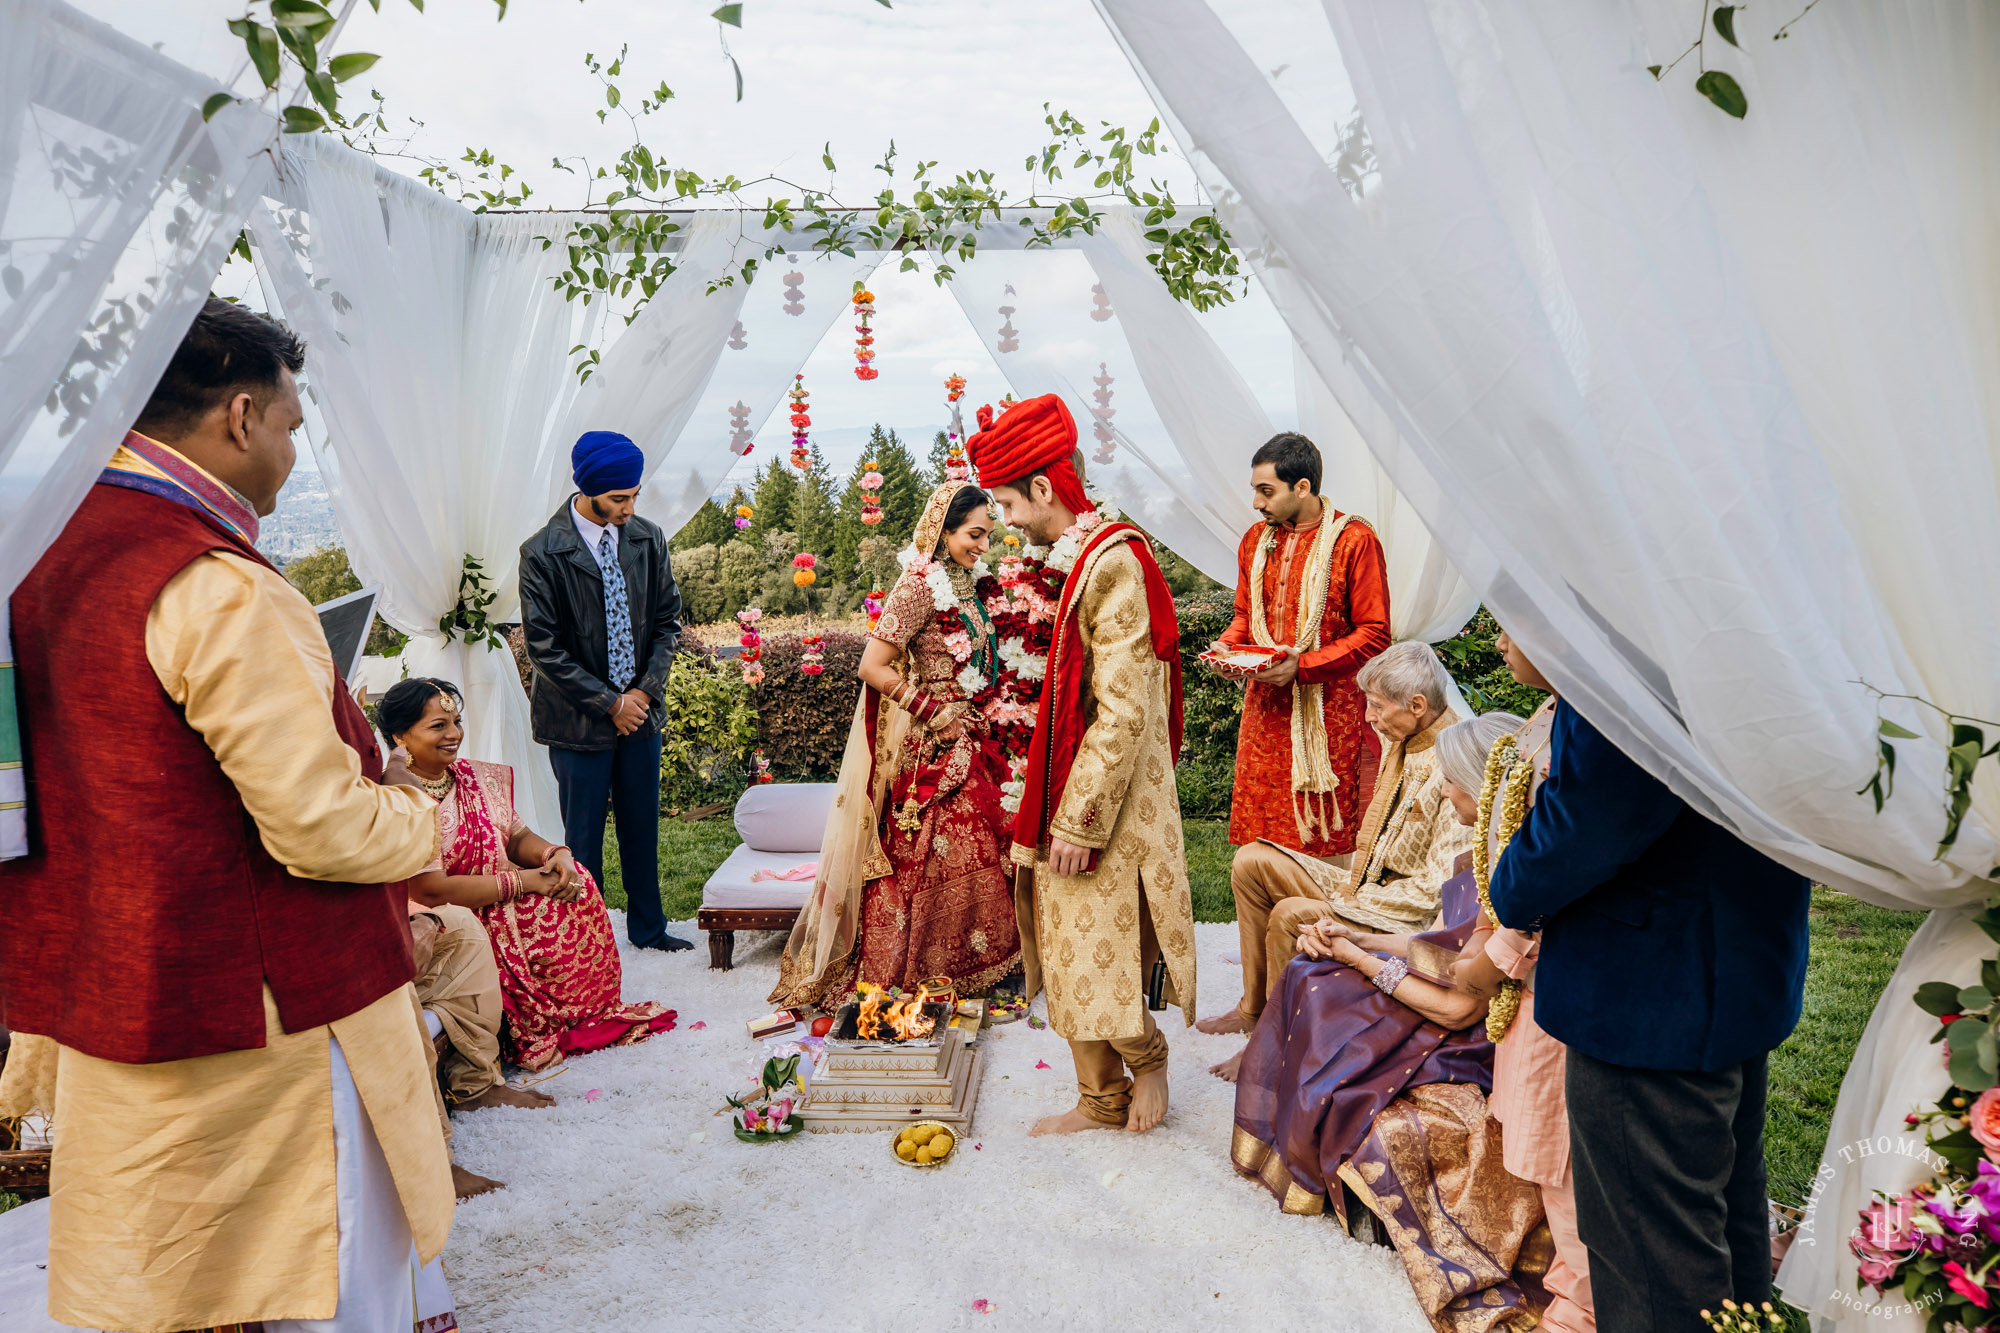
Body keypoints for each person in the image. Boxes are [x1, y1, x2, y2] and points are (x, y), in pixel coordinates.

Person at [0, 298, 452, 1331]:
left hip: (126, 982)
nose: (291, 452)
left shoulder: (39, 555)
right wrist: (420, 819)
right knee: (322, 1279)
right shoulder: (217, 586)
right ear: (240, 416)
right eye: (293, 427)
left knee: (171, 1277)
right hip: (269, 1010)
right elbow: (320, 825)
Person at [1486, 644, 1811, 1332]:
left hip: (1647, 992)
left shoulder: (1623, 633)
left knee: (1651, 1264)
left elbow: (1594, 814)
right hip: (1739, 960)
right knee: (1730, 1226)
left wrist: (1510, 886)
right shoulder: (1739, 616)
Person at [1232, 713, 1549, 1333]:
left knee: (1328, 999)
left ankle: (1316, 1141)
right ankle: (1300, 1153)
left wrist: (1359, 958)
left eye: (1451, 786)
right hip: (1454, 1000)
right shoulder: (1483, 851)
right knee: (1309, 978)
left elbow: (1462, 1004)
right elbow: (1441, 941)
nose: (1444, 795)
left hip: (1468, 1039)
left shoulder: (1512, 871)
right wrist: (1361, 937)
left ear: (1481, 789)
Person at [967, 393, 1198, 1137]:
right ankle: (1097, 1097)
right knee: (1058, 937)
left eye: (1006, 501)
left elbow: (1126, 710)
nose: (1002, 519)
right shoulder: (1054, 561)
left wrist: (1082, 817)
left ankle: (1147, 1057)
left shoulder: (1115, 562)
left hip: (1106, 798)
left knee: (1096, 939)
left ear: (1044, 487)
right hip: (1054, 780)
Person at [771, 483, 1022, 1011]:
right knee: (938, 850)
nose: (983, 545)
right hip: (935, 741)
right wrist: (934, 711)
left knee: (990, 843)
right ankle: (930, 969)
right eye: (973, 534)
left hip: (979, 735)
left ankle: (985, 964)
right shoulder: (918, 586)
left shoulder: (973, 583)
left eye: (988, 536)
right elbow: (872, 666)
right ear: (942, 529)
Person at [1202, 641, 1471, 1079]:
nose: (1370, 718)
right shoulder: (1404, 738)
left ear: (1417, 705)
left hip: (1399, 915)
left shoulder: (1454, 764)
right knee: (1252, 859)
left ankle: (1268, 1048)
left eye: (1378, 707)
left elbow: (1435, 892)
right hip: (1363, 890)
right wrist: (1352, 890)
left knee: (1292, 914)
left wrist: (1355, 904)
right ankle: (1252, 1009)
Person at [382, 677, 678, 1071]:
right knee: (536, 907)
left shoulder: (471, 777)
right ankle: (537, 1020)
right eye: (438, 726)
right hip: (447, 913)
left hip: (492, 890)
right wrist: (523, 881)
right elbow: (430, 889)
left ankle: (579, 1013)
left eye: (456, 722)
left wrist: (556, 853)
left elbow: (516, 834)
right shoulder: (399, 798)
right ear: (400, 737)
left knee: (577, 881)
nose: (454, 734)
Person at [1447, 630, 1593, 1333]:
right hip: (1529, 992)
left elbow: (1555, 867)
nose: (1499, 638)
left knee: (1558, 1155)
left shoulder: (1586, 726)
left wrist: (1492, 958)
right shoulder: (1549, 717)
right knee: (1541, 1148)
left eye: (1514, 624)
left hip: (1548, 985)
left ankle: (1581, 1309)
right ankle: (1569, 1285)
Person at [519, 430, 689, 951]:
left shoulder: (647, 537)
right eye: (620, 498)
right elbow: (544, 648)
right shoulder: (542, 553)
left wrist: (642, 696)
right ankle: (586, 944)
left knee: (642, 829)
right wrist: (609, 703)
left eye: (635, 495)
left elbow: (667, 623)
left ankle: (650, 931)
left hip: (641, 716)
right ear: (588, 490)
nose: (629, 508)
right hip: (575, 722)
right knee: (583, 840)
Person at [1211, 432, 1391, 860]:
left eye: (1266, 491)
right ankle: (1268, 920)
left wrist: (1303, 666)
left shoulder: (1354, 540)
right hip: (1266, 708)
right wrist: (1228, 646)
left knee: (1321, 838)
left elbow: (1375, 632)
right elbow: (1244, 614)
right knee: (1262, 836)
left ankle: (1319, 924)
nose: (1256, 502)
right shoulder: (1257, 541)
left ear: (1303, 487)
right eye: (1256, 490)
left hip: (1330, 712)